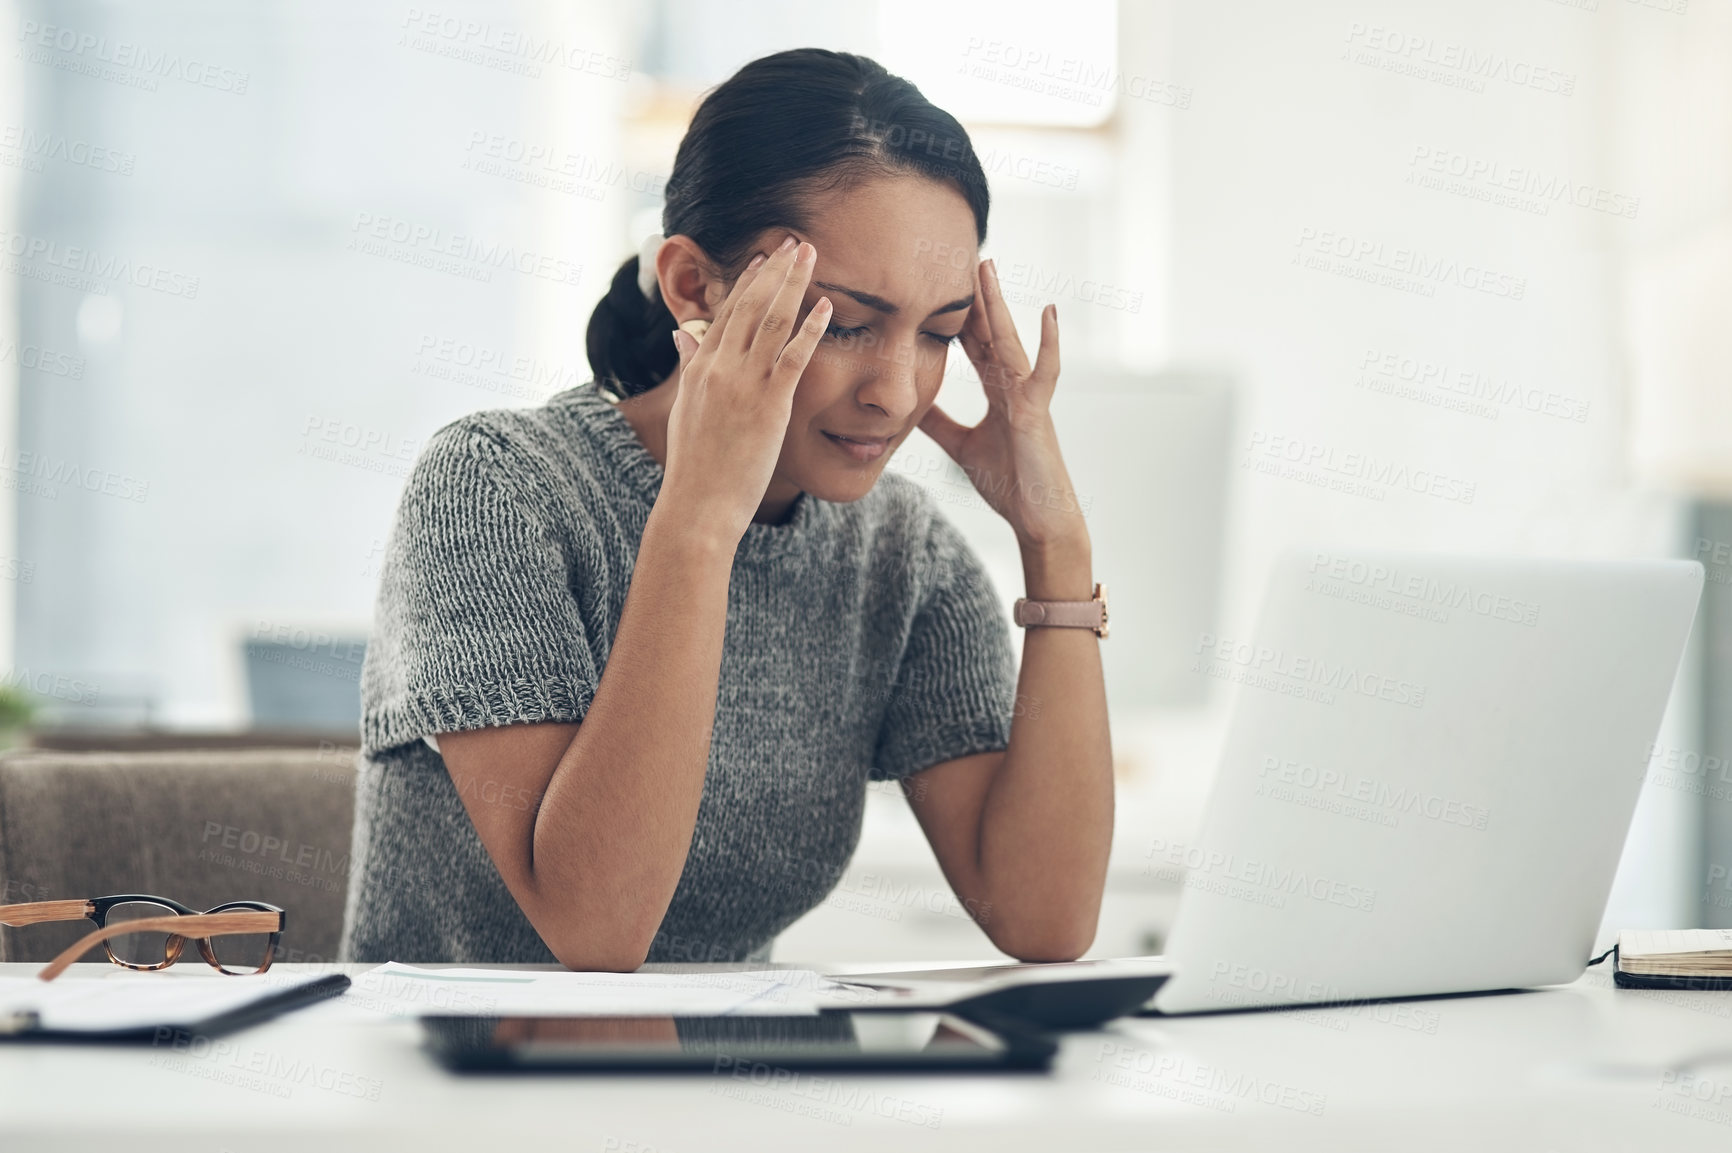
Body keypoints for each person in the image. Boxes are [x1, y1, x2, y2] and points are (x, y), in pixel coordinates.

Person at [339, 47, 1112, 970]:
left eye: (941, 333)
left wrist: (1054, 540)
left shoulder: (904, 556)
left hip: (720, 1100)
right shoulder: (496, 489)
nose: (897, 392)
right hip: (450, 1097)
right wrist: (702, 519)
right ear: (692, 287)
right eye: (849, 325)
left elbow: (1045, 919)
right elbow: (594, 926)